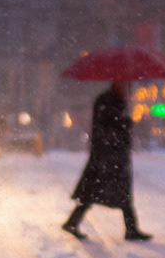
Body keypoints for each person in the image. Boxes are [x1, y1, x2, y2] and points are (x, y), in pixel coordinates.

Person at [62, 81, 152, 241]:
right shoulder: (110, 102)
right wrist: (126, 123)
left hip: (107, 155)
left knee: (96, 192)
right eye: (127, 85)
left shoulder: (110, 101)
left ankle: (73, 222)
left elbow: (107, 126)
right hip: (109, 156)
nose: (129, 88)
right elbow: (109, 128)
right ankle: (130, 229)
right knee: (110, 193)